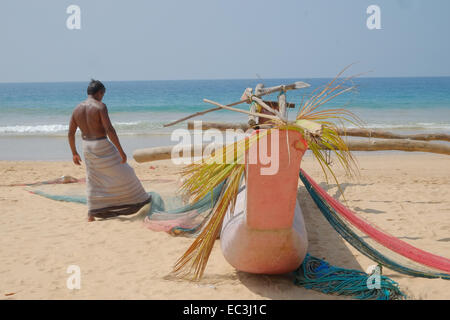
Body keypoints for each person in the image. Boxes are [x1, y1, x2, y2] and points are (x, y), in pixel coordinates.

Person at [68, 79, 151, 222]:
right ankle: (141, 200)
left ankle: (91, 213)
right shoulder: (100, 107)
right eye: (103, 94)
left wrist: (74, 153)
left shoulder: (76, 109)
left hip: (86, 145)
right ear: (99, 93)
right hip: (101, 144)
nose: (103, 97)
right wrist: (121, 150)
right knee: (126, 172)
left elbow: (70, 133)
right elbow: (109, 129)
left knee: (93, 178)